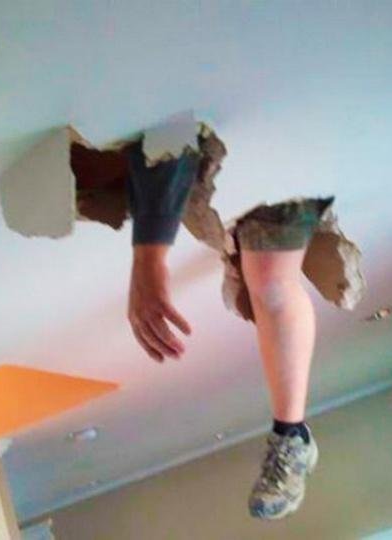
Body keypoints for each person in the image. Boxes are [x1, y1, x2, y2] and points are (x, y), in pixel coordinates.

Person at [125, 139, 325, 520]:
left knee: (269, 275)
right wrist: (148, 257)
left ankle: (291, 436)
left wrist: (148, 257)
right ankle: (293, 435)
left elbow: (172, 131)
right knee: (266, 274)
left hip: (291, 142)